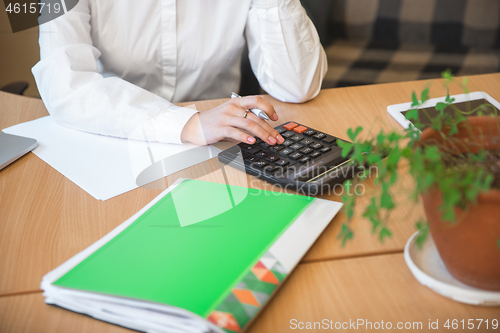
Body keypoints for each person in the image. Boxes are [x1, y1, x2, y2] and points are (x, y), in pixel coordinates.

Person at [33, 0, 327, 147]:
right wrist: (190, 124)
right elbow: (64, 84)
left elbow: (298, 85)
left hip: (221, 145)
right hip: (113, 134)